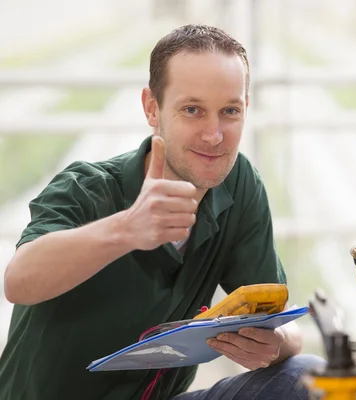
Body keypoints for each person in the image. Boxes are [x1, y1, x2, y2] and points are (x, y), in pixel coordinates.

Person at [0, 24, 324, 400]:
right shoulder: (87, 189)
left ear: (245, 110)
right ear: (152, 108)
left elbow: (282, 325)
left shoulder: (239, 185)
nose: (214, 134)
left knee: (308, 376)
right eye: (192, 110)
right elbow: (17, 281)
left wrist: (276, 343)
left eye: (229, 111)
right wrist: (126, 229)